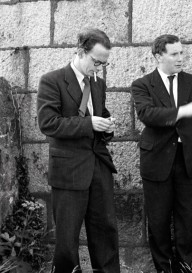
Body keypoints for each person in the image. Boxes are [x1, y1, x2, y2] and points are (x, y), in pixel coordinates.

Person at [131, 34, 192, 273]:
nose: (181, 58)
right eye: (174, 54)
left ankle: (186, 266)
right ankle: (164, 268)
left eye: (182, 53)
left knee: (185, 218)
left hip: (187, 160)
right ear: (159, 56)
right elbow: (147, 115)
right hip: (156, 161)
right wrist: (184, 111)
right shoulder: (143, 85)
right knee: (158, 220)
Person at [37, 28, 120, 273]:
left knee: (106, 231)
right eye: (96, 61)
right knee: (67, 238)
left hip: (98, 167)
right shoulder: (52, 80)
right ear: (81, 51)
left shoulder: (98, 84)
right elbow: (48, 124)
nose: (99, 68)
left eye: (103, 63)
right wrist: (89, 123)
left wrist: (106, 126)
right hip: (69, 170)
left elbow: (99, 117)